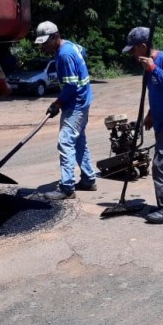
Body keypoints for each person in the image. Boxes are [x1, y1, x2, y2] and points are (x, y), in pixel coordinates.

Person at [122, 26, 163, 224]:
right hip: (161, 121)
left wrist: (153, 68)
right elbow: (158, 93)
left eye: (134, 49)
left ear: (143, 46)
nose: (132, 54)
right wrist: (151, 114)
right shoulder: (147, 65)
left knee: (160, 164)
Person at [34, 21, 97, 200]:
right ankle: (88, 179)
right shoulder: (71, 46)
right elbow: (83, 51)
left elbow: (70, 87)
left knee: (65, 141)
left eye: (46, 42)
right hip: (83, 101)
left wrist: (57, 104)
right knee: (79, 141)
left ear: (55, 37)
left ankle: (67, 187)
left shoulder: (64, 55)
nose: (43, 46)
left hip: (75, 104)